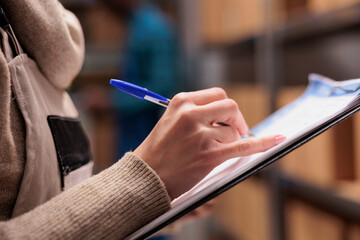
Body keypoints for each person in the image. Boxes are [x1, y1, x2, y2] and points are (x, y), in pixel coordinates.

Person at [0, 1, 286, 239]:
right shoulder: (139, 25)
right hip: (138, 141)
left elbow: (162, 85)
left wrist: (149, 186)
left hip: (147, 132)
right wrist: (137, 189)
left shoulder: (151, 27)